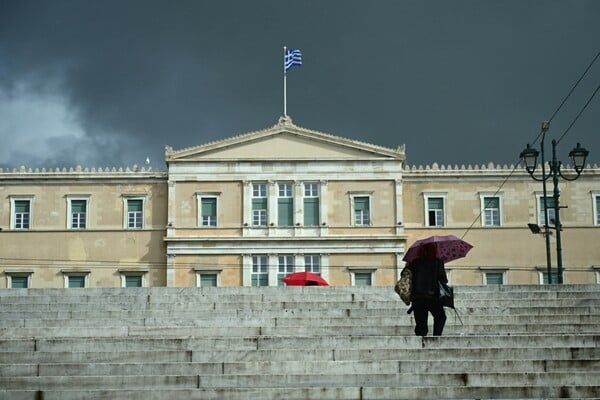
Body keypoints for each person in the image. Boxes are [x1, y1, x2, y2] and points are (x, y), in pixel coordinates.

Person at [407, 243, 448, 336]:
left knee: (421, 325)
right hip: (433, 297)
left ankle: (421, 344)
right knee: (440, 317)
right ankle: (436, 337)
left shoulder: (414, 262)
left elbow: (405, 276)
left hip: (417, 297)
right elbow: (443, 279)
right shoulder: (437, 261)